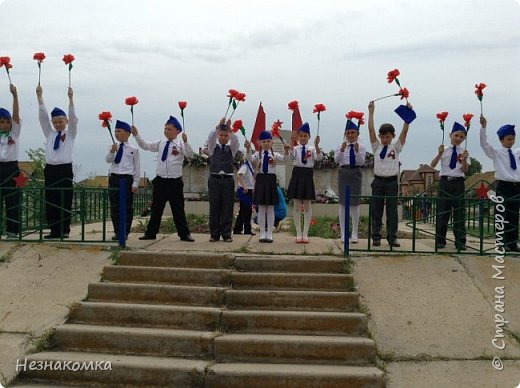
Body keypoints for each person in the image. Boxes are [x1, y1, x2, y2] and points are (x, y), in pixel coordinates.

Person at [132, 116, 194, 242]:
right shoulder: (160, 143)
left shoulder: (181, 144)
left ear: (177, 131)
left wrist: (186, 142)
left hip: (174, 181)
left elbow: (190, 154)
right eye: (165, 129)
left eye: (169, 129)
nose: (166, 131)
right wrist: (137, 135)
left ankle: (184, 234)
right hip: (161, 181)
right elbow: (145, 146)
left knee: (178, 210)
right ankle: (151, 233)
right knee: (156, 209)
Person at [368, 101, 415, 248]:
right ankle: (376, 236)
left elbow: (404, 132)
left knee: (392, 212)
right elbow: (370, 130)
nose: (384, 139)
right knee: (376, 210)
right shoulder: (376, 147)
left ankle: (392, 237)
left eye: (387, 137)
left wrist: (407, 116)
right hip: (378, 181)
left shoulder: (396, 147)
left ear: (392, 136)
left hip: (391, 183)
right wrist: (371, 112)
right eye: (382, 136)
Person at [36, 85, 77, 239]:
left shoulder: (71, 134)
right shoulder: (50, 134)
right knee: (51, 199)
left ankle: (65, 229)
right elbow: (43, 118)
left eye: (60, 121)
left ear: (65, 121)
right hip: (51, 169)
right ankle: (54, 229)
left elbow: (74, 119)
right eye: (55, 122)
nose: (58, 124)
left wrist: (71, 99)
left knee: (65, 198)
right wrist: (40, 98)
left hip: (65, 169)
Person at [480, 117, 520, 252]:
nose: (511, 141)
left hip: (516, 186)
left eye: (513, 138)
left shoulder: (517, 152)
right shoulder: (496, 152)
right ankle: (501, 242)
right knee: (501, 214)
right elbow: (484, 144)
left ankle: (513, 243)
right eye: (509, 139)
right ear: (501, 140)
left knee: (514, 215)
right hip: (503, 185)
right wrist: (483, 128)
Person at [431, 122, 469, 250]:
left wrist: (464, 160)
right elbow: (432, 164)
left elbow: (465, 170)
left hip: (458, 182)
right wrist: (439, 153)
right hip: (445, 182)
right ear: (450, 135)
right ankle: (440, 240)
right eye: (456, 135)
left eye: (461, 137)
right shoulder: (444, 149)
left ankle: (460, 241)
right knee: (443, 212)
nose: (458, 138)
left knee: (459, 212)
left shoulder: (463, 152)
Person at [245, 131, 286, 243]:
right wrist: (248, 149)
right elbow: (249, 160)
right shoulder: (257, 155)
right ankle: (262, 232)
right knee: (262, 208)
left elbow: (285, 159)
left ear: (271, 142)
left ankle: (269, 234)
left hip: (271, 181)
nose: (266, 143)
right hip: (261, 181)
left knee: (271, 208)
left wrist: (286, 150)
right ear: (259, 143)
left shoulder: (275, 155)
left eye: (268, 141)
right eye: (264, 141)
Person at [286, 122, 322, 243]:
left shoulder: (311, 149)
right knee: (296, 205)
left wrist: (317, 145)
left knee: (307, 205)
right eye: (300, 136)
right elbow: (290, 158)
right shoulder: (295, 148)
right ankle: (298, 233)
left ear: (309, 137)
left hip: (307, 175)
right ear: (298, 137)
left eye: (305, 136)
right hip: (297, 175)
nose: (302, 138)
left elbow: (319, 157)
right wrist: (291, 144)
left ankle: (305, 234)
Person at [105, 120, 140, 241]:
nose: (116, 133)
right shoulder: (113, 146)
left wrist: (135, 183)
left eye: (119, 131)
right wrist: (111, 151)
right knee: (115, 206)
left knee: (126, 206)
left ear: (127, 133)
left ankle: (125, 231)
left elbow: (137, 167)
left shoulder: (133, 149)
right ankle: (117, 231)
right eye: (115, 131)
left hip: (126, 178)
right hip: (114, 177)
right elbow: (108, 160)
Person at [207, 118, 240, 242]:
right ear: (218, 135)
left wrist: (230, 130)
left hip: (227, 180)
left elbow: (236, 142)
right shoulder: (212, 148)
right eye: (221, 135)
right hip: (214, 179)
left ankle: (226, 234)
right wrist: (218, 126)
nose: (223, 137)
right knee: (214, 207)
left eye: (226, 135)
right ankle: (214, 234)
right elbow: (210, 138)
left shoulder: (231, 149)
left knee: (227, 207)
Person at [334, 118, 366, 243]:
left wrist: (357, 151)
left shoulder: (361, 147)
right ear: (345, 134)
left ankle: (354, 234)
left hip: (355, 173)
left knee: (355, 203)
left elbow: (361, 162)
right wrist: (341, 150)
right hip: (344, 173)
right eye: (348, 133)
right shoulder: (340, 146)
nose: (350, 135)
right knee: (343, 203)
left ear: (357, 134)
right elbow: (336, 160)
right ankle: (343, 233)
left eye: (353, 133)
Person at [0, 84, 21, 238]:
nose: (5, 124)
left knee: (12, 200)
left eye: (7, 122)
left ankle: (12, 230)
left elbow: (15, 115)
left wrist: (15, 96)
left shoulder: (14, 132)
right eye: (1, 122)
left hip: (12, 168)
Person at [233, 159, 255, 235]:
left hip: (249, 190)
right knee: (244, 210)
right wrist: (244, 185)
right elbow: (238, 175)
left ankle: (247, 229)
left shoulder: (251, 167)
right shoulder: (245, 166)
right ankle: (237, 229)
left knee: (248, 211)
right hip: (244, 190)